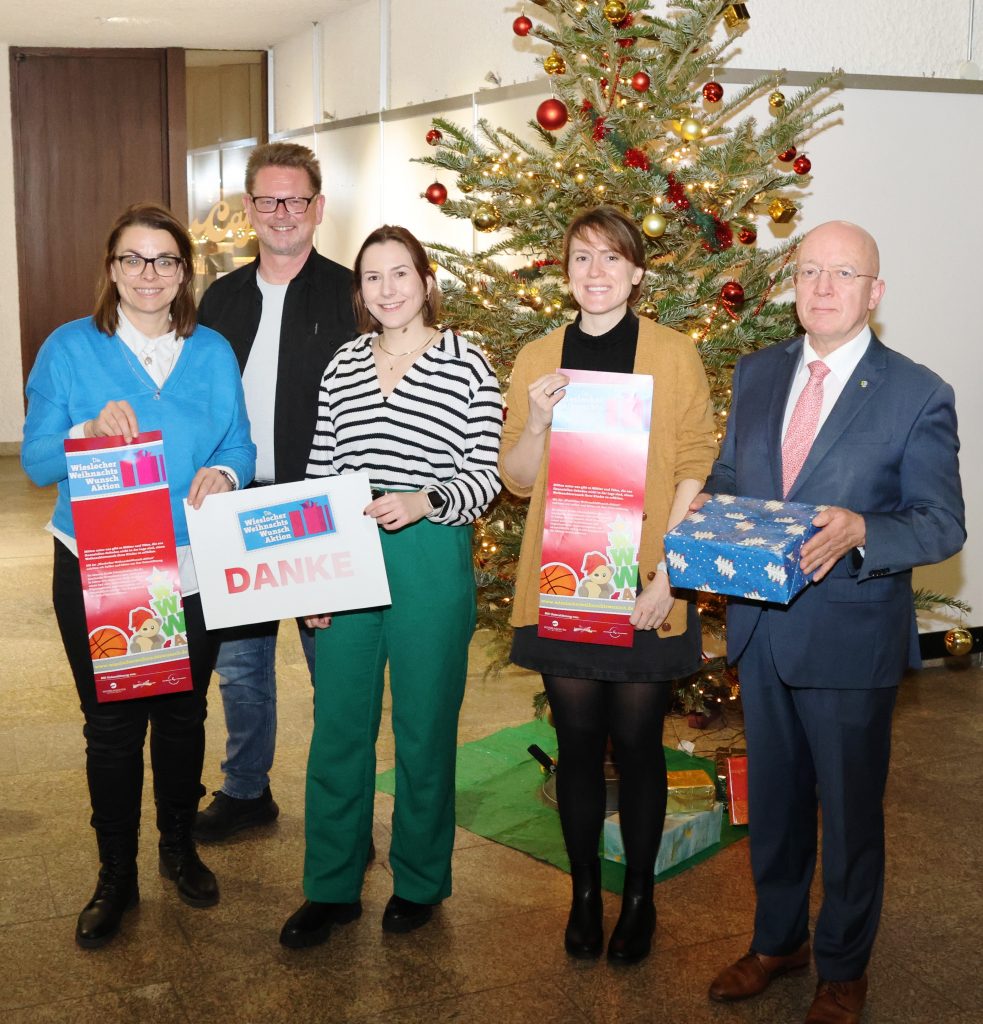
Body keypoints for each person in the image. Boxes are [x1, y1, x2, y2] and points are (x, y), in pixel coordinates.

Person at [701, 221, 964, 1024]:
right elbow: (728, 474)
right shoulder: (756, 373)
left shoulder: (917, 392)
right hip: (760, 630)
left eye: (842, 273)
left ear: (872, 292)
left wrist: (862, 531)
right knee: (773, 807)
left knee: (848, 818)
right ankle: (776, 942)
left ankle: (843, 969)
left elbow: (940, 524)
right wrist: (702, 514)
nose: (821, 287)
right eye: (808, 271)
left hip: (849, 639)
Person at [21, 203, 256, 948]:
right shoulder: (70, 347)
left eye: (164, 260)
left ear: (184, 272)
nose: (149, 274)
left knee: (183, 715)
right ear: (112, 268)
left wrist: (226, 473)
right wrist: (85, 431)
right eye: (133, 259)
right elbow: (35, 462)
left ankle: (178, 847)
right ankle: (115, 874)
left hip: (191, 564)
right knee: (113, 726)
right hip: (104, 565)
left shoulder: (212, 350)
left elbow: (240, 445)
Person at [499, 206, 717, 964]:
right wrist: (535, 421)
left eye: (611, 258)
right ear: (565, 271)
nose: (596, 272)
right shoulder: (538, 357)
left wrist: (670, 575)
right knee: (578, 745)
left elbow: (694, 462)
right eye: (581, 257)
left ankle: (641, 899)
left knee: (640, 745)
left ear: (636, 272)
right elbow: (516, 479)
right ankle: (586, 894)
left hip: (646, 583)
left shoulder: (673, 353)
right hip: (564, 584)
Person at [279, 225, 502, 948]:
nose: (387, 289)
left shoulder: (466, 362)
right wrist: (311, 577)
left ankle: (419, 881)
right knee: (338, 728)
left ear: (426, 282)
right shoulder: (343, 364)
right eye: (372, 277)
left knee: (424, 729)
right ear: (360, 291)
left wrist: (426, 500)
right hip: (347, 553)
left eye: (400, 273)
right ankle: (331, 885)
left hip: (428, 553)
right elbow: (320, 471)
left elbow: (486, 473)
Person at [194, 142, 356, 843]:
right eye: (268, 199)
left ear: (318, 208)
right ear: (249, 209)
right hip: (237, 502)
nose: (282, 212)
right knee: (241, 668)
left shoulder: (350, 295)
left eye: (296, 199)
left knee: (334, 672)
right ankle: (245, 791)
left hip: (320, 506)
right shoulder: (220, 298)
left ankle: (342, 809)